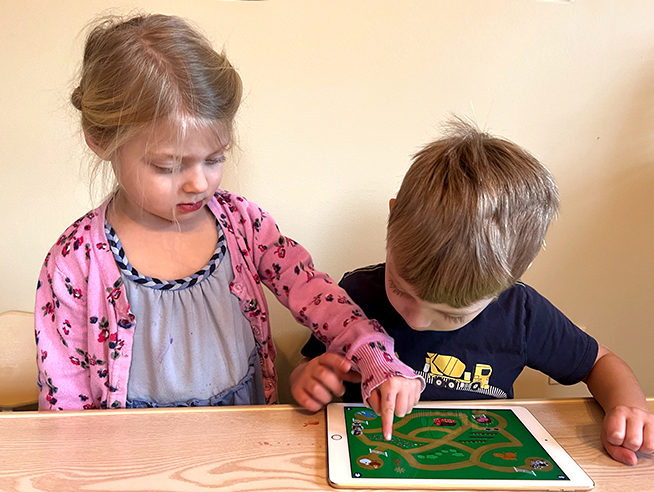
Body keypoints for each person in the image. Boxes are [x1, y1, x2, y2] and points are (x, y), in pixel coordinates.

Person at [35, 13, 423, 433]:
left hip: (242, 438)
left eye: (215, 158)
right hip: (134, 453)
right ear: (101, 141)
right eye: (168, 166)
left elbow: (319, 297)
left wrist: (375, 358)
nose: (198, 183)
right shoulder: (75, 261)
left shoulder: (243, 224)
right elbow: (65, 407)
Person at [292, 118, 654, 465]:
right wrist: (309, 379)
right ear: (392, 221)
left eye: (453, 314)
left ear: (510, 279)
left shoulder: (522, 313)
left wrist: (629, 409)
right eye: (400, 289)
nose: (416, 320)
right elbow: (307, 370)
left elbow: (599, 362)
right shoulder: (354, 294)